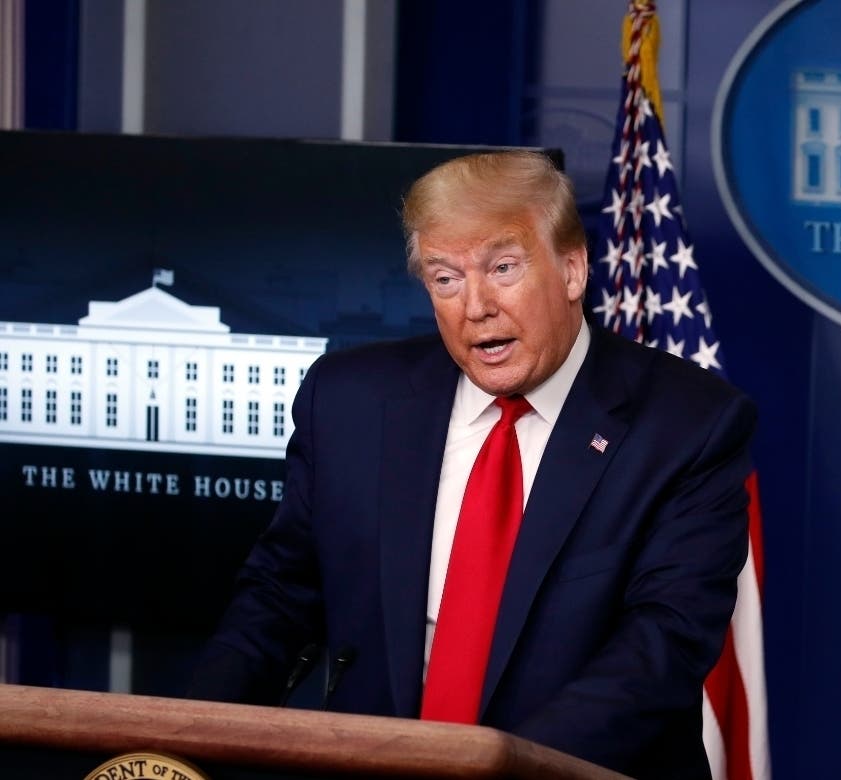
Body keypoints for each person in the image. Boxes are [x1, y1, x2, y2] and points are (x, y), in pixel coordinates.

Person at [189, 150, 756, 779]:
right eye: (445, 278)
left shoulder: (687, 425)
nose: (475, 306)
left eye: (503, 268)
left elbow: (663, 645)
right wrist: (182, 738)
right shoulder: (349, 401)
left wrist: (498, 771)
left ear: (572, 269)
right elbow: (278, 597)